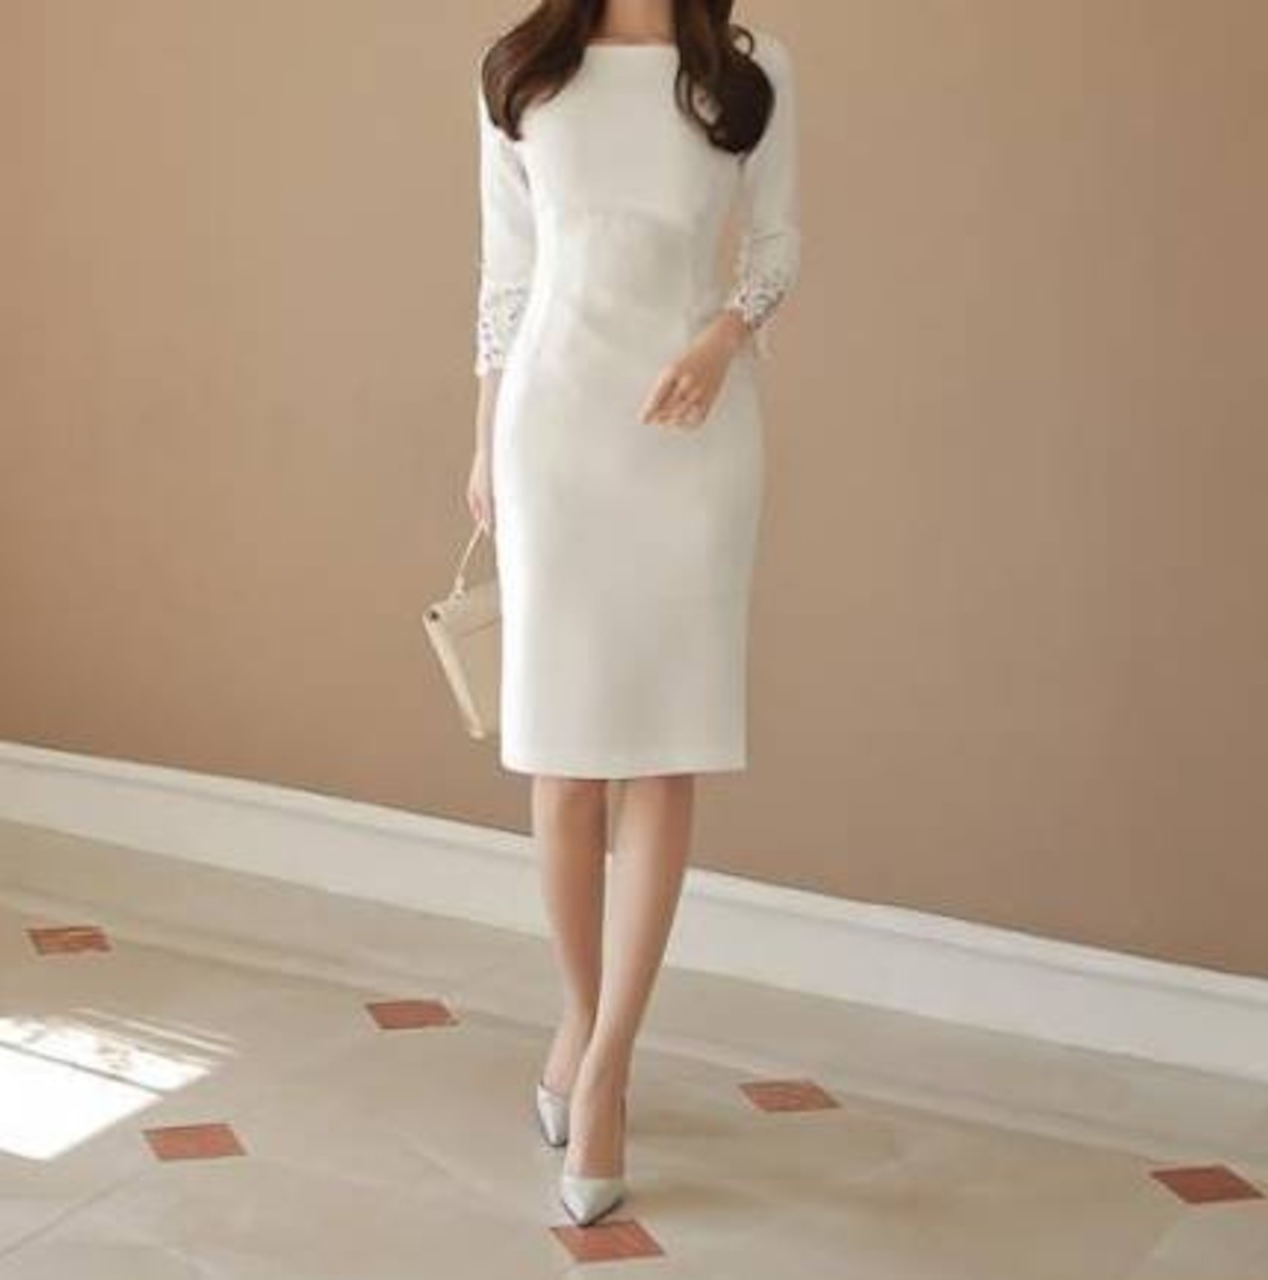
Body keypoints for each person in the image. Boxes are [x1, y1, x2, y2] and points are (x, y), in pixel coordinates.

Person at [465, 0, 799, 1227]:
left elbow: (775, 246)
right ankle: (578, 1014)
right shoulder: (521, 72)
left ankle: (605, 1067)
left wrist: (720, 340)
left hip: (693, 442)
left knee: (663, 754)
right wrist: (482, 443)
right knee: (561, 765)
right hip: (554, 432)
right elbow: (505, 273)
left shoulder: (747, 73)